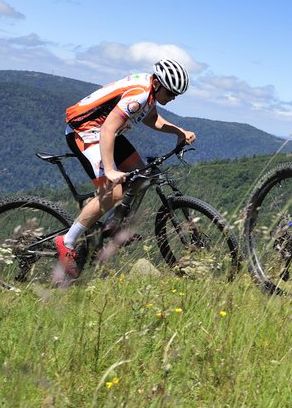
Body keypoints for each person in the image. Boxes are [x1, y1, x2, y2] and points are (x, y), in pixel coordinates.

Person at [53, 59, 197, 277]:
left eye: (176, 95)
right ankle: (67, 242)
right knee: (113, 191)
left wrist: (179, 131)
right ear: (158, 84)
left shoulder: (149, 91)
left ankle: (114, 225)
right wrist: (110, 170)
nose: (173, 98)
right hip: (85, 132)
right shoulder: (139, 95)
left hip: (106, 132)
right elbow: (107, 131)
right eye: (171, 93)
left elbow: (151, 119)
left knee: (144, 175)